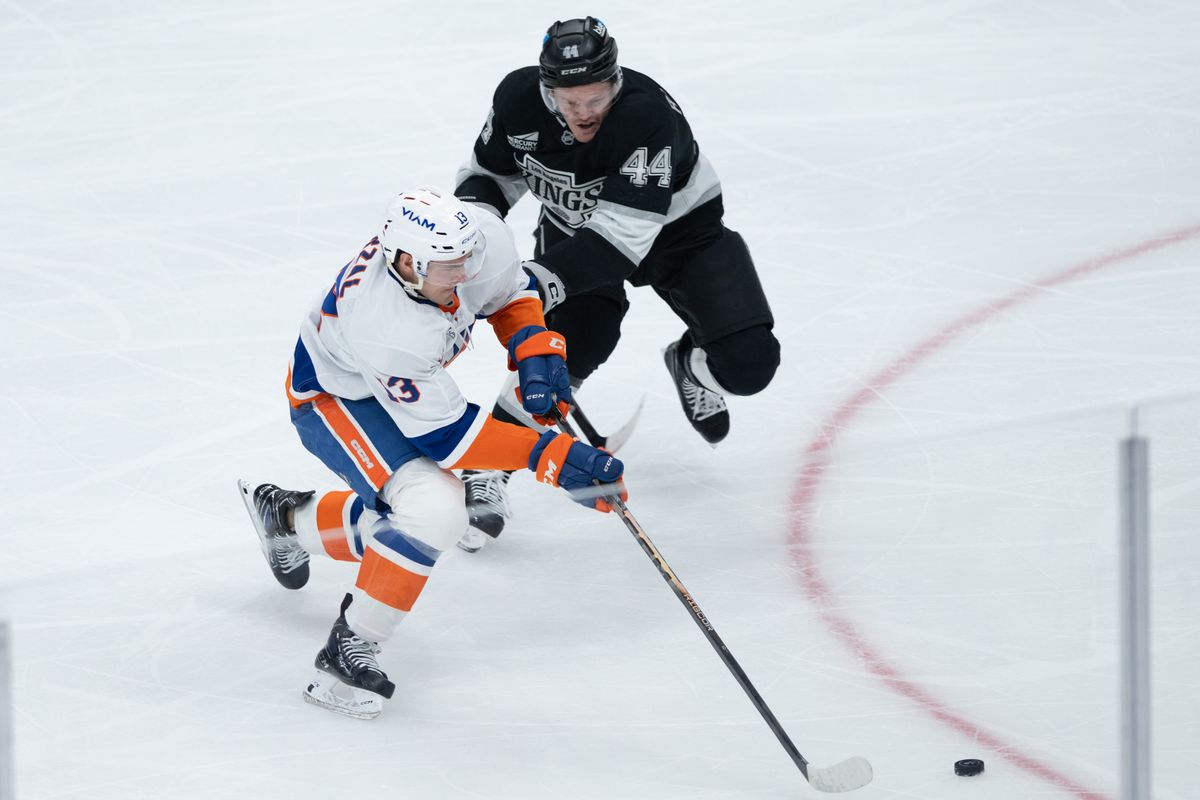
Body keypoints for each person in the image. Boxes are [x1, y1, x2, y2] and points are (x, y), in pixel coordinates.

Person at [237, 187, 626, 719]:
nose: (465, 273)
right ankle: (349, 647)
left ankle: (290, 521)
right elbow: (448, 438)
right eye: (450, 266)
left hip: (385, 380)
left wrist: (534, 346)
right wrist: (552, 457)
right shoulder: (387, 326)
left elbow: (507, 292)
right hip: (332, 395)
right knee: (433, 510)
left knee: (416, 521)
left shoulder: (476, 240)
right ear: (406, 263)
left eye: (467, 256)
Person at [452, 17, 781, 545]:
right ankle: (488, 465)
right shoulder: (518, 99)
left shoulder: (646, 116)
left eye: (596, 98)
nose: (584, 112)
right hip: (574, 229)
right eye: (570, 100)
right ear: (548, 89)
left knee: (749, 366)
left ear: (616, 80)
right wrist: (473, 240)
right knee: (572, 345)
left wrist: (535, 282)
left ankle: (690, 365)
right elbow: (489, 176)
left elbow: (619, 240)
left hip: (682, 233)